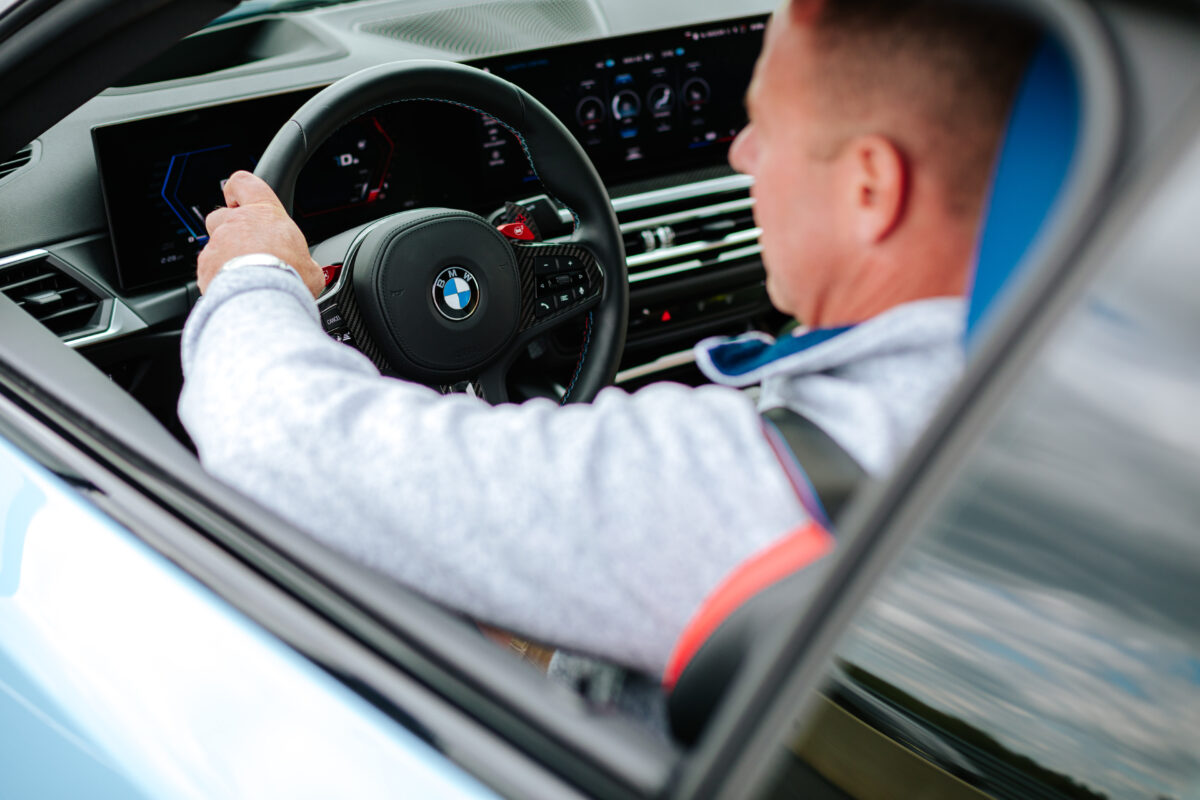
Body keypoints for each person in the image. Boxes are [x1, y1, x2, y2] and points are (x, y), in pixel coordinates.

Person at [180, 0, 1032, 683]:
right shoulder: (1048, 373)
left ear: (870, 187)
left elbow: (275, 438)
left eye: (764, 127)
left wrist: (255, 274)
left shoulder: (745, 488)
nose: (736, 154)